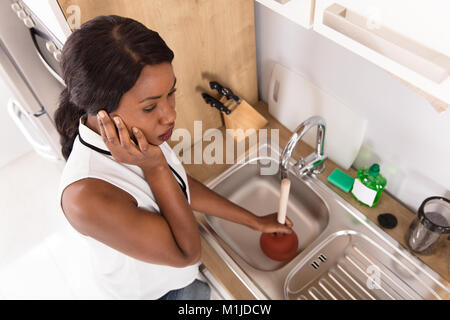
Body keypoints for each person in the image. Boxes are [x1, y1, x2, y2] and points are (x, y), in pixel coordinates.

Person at [55, 15, 293, 300]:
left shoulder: (135, 136)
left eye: (171, 93)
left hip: (177, 280)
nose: (170, 115)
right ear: (102, 112)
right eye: (150, 106)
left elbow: (177, 183)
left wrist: (253, 221)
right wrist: (154, 167)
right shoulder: (86, 198)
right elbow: (186, 253)